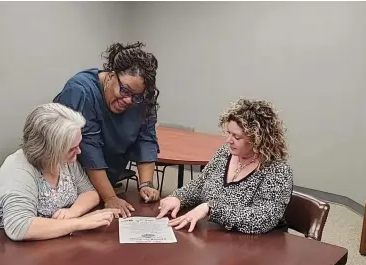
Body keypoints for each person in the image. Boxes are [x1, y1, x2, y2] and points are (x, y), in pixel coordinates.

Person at [0, 103, 119, 241]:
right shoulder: (18, 169)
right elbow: (19, 227)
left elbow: (89, 193)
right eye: (71, 148)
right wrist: (80, 223)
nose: (78, 152)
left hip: (42, 241)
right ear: (48, 150)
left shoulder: (64, 160)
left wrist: (72, 212)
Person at [54, 41, 161, 218]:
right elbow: (89, 149)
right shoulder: (81, 91)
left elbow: (146, 139)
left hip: (105, 183)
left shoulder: (141, 101)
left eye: (136, 96)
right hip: (68, 186)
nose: (129, 100)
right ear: (111, 76)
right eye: (125, 90)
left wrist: (146, 184)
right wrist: (110, 197)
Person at [157, 99, 293, 234]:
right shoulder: (224, 153)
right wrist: (179, 197)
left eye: (237, 137)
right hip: (218, 238)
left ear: (258, 140)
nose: (228, 140)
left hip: (257, 245)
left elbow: (263, 218)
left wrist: (211, 209)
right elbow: (200, 185)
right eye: (228, 133)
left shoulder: (277, 171)